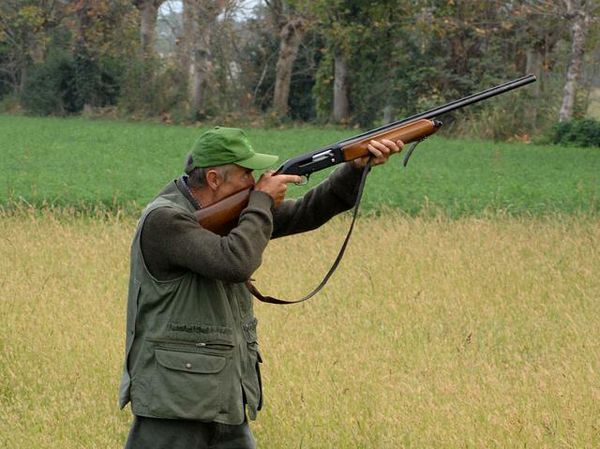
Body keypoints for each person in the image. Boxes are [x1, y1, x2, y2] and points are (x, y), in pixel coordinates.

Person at [118, 126, 403, 449]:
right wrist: (261, 202)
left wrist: (352, 170)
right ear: (214, 179)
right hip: (175, 401)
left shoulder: (234, 215)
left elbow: (308, 211)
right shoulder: (165, 221)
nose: (255, 182)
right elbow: (235, 262)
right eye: (246, 174)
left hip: (224, 396)